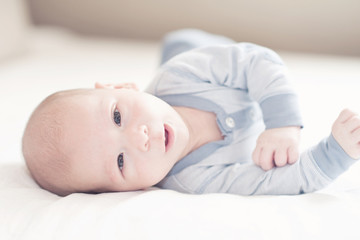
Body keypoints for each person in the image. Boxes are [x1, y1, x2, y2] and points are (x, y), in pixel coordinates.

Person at [22, 29, 360, 196]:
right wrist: (335, 154)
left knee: (187, 45)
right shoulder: (194, 181)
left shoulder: (180, 76)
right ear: (128, 192)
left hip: (209, 69)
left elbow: (257, 60)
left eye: (117, 117)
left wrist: (283, 123)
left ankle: (182, 40)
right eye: (121, 162)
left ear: (122, 88)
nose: (138, 137)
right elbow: (275, 184)